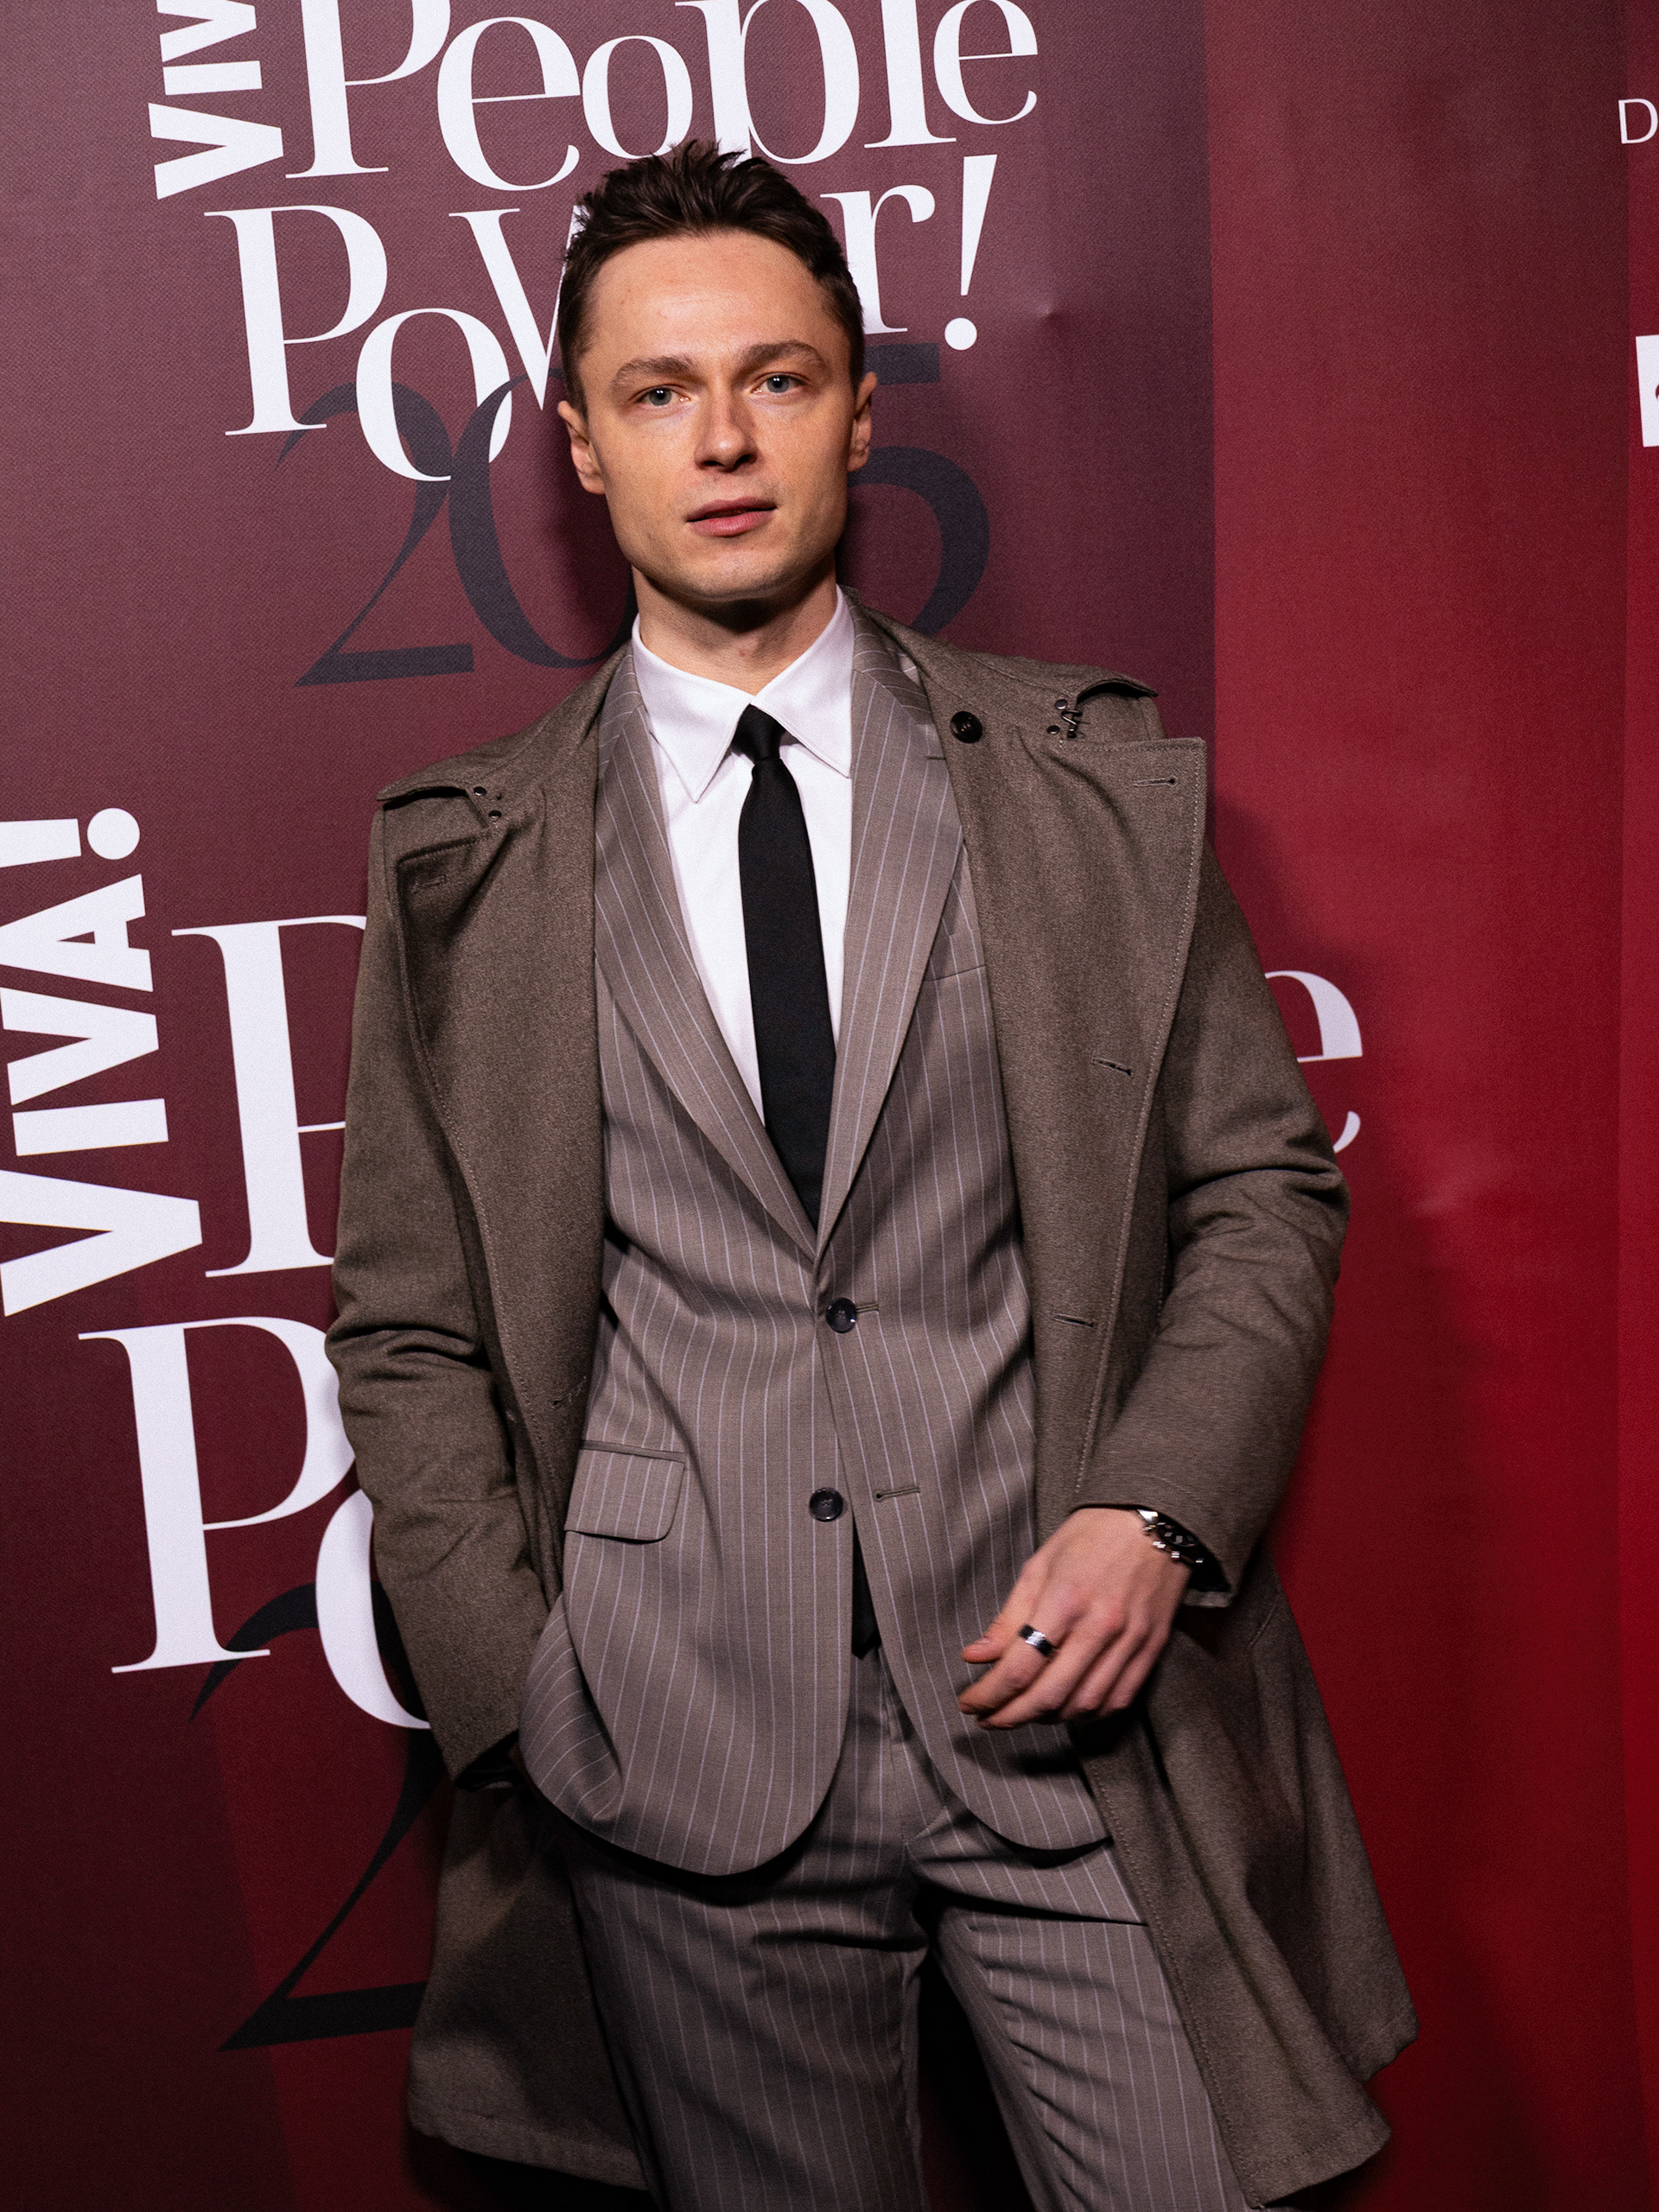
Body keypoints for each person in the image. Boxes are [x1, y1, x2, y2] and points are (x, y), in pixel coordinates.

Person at [327, 141, 1414, 2212]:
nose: (724, 440)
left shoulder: (1086, 781)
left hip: (1065, 1712)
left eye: (777, 378)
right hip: (670, 1746)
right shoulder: (464, 857)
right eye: (659, 392)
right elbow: (406, 1315)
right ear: (581, 443)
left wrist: (1157, 1511)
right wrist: (527, 1688)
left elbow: (1263, 1191)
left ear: (856, 407)